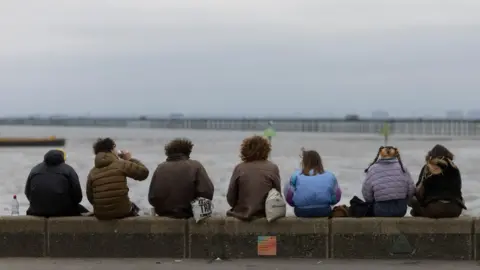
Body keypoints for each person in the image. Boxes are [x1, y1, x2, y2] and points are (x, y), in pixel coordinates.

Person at [148, 138, 214, 218]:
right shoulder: (196, 166)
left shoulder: (160, 167)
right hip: (188, 213)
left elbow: (152, 197)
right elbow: (207, 192)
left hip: (163, 212)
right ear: (188, 151)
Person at [86, 138, 149, 220]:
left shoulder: (92, 172)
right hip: (122, 211)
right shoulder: (121, 164)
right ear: (112, 149)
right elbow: (144, 173)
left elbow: (90, 197)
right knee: (136, 209)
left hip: (100, 213)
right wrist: (129, 159)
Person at [226, 135, 281, 221]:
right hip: (266, 215)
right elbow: (278, 195)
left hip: (242, 215)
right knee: (267, 235)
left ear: (245, 150)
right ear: (266, 150)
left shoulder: (239, 168)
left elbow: (231, 198)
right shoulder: (273, 168)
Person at [25, 149, 89, 217]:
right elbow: (78, 195)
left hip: (37, 210)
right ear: (62, 159)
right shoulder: (68, 169)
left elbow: (27, 192)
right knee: (84, 212)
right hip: (63, 210)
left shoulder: (35, 170)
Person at [409, 144, 466, 218]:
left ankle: (419, 212)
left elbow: (418, 193)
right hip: (455, 210)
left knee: (412, 200)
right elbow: (458, 189)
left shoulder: (427, 168)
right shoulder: (455, 168)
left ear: (430, 156)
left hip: (434, 209)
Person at [284, 149, 342, 218]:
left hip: (301, 211)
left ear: (304, 162)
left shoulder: (296, 175)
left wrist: (297, 203)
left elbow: (289, 197)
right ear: (319, 162)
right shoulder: (330, 176)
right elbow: (336, 197)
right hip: (323, 211)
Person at [362, 146, 415, 217]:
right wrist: (405, 201)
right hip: (401, 210)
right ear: (395, 153)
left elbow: (366, 192)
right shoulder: (403, 167)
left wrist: (372, 201)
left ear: (380, 154)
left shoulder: (373, 169)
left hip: (380, 210)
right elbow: (411, 189)